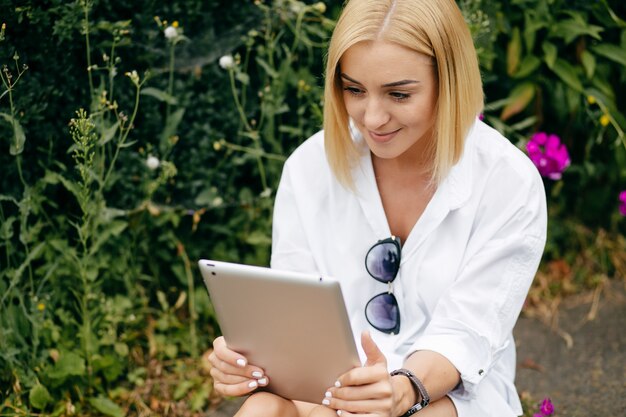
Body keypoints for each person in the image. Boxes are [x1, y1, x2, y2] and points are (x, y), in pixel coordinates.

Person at [207, 0, 547, 416]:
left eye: (399, 94)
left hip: (445, 392)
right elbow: (294, 314)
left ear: (450, 81)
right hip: (329, 386)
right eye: (354, 90)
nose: (372, 117)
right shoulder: (309, 167)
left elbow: (468, 333)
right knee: (261, 408)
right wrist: (247, 362)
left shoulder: (506, 180)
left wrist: (401, 391)